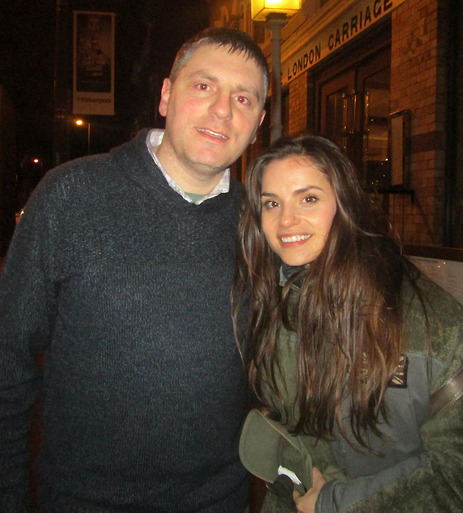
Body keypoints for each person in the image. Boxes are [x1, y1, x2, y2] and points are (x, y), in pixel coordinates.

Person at [0, 27, 268, 513]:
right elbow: (7, 364)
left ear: (258, 123)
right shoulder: (71, 198)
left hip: (221, 502)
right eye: (203, 86)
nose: (223, 110)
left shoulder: (263, 225)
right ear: (166, 95)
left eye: (243, 99)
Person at [233, 134, 463, 513]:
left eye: (308, 199)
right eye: (271, 203)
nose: (286, 220)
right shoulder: (270, 304)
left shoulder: (424, 320)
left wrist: (334, 504)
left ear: (345, 204)